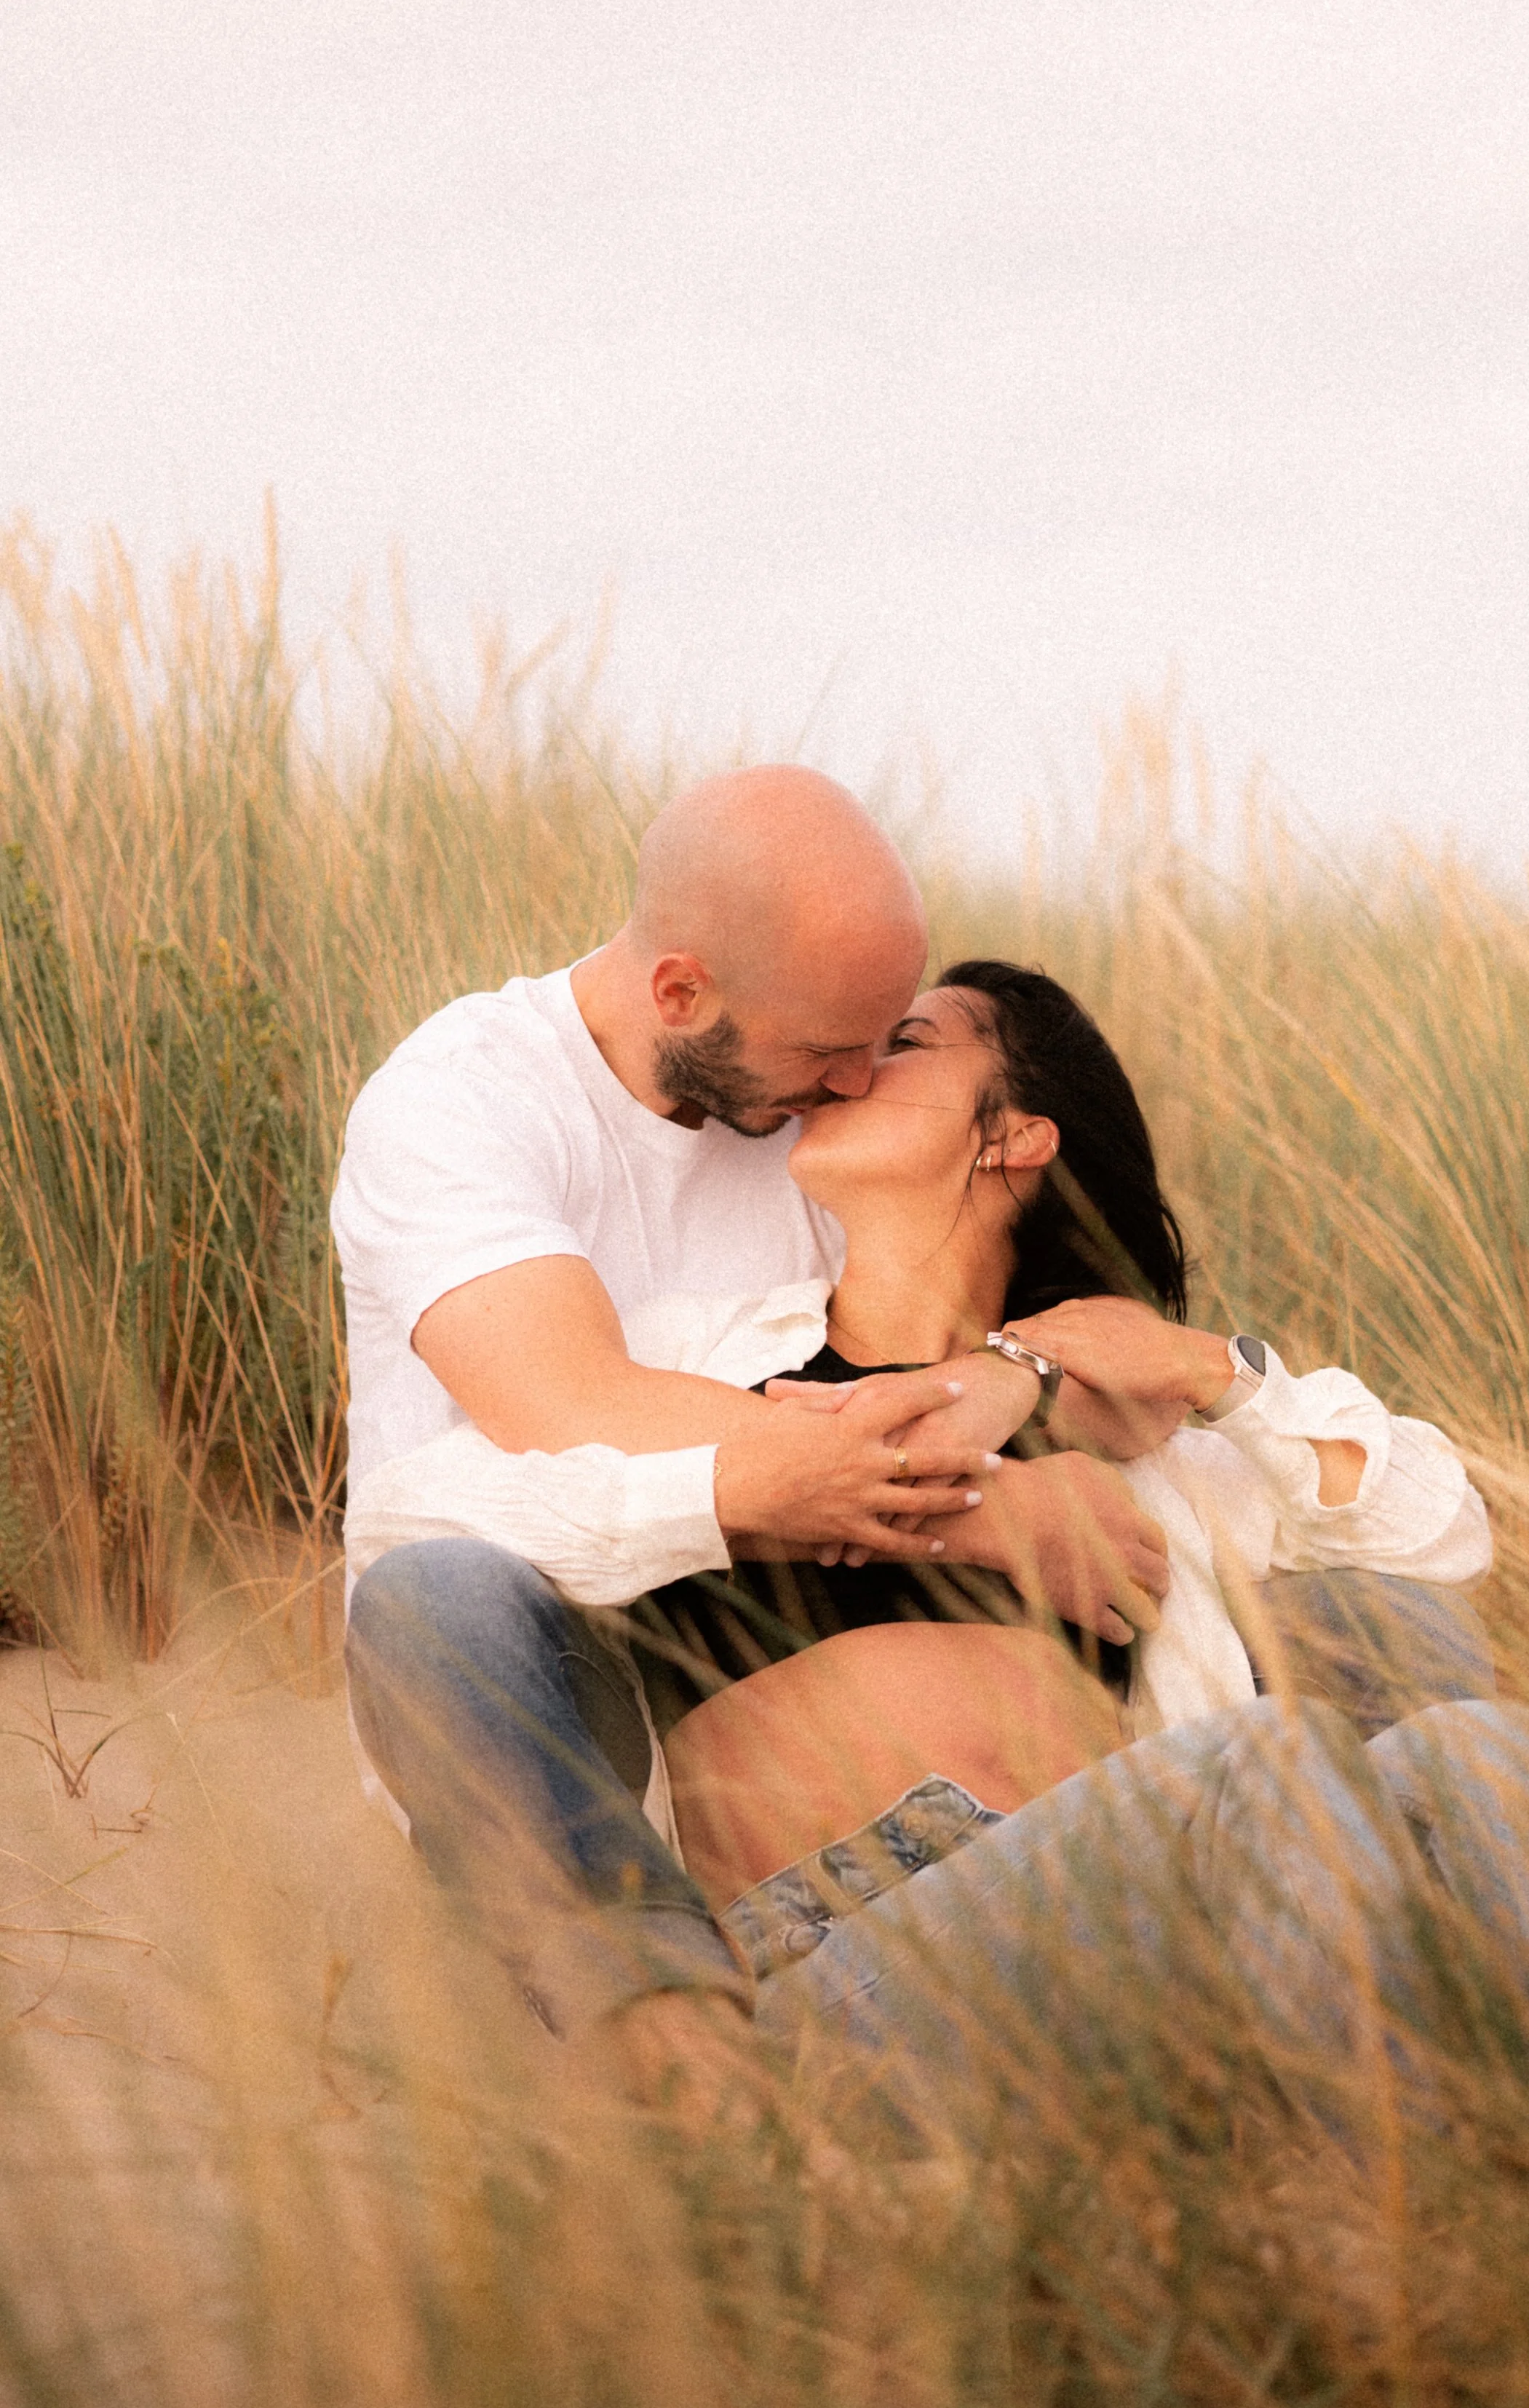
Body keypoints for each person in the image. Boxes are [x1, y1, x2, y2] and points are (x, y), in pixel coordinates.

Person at [343, 956, 1529, 2152]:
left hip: (1132, 1918)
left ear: (1015, 1136)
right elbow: (419, 1538)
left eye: (909, 1042)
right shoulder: (708, 1363)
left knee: (1487, 1750)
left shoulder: (1118, 1439)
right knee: (1269, 1756)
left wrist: (1193, 1367)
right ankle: (1406, 2237)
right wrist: (916, 1500)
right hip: (843, 1959)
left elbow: (1432, 1530)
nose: (853, 1066)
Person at [332, 769, 1190, 2108]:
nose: (854, 1081)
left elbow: (1024, 1298)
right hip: (550, 1711)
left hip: (825, 1784)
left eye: (887, 1041)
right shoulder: (464, 1103)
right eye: (831, 1048)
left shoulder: (801, 1130)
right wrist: (975, 1509)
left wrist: (1019, 1372)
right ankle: (675, 2046)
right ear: (682, 992)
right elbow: (572, 1407)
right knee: (439, 1597)